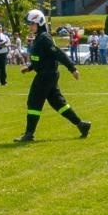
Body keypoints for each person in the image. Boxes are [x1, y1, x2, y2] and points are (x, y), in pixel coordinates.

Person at [14, 9, 90, 142]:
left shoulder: (44, 38)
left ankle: (29, 134)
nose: (30, 26)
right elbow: (43, 58)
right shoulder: (39, 37)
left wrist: (72, 68)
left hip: (46, 75)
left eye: (32, 24)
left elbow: (58, 53)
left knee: (33, 101)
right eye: (29, 24)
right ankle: (81, 125)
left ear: (40, 23)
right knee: (58, 103)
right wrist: (30, 68)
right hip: (47, 74)